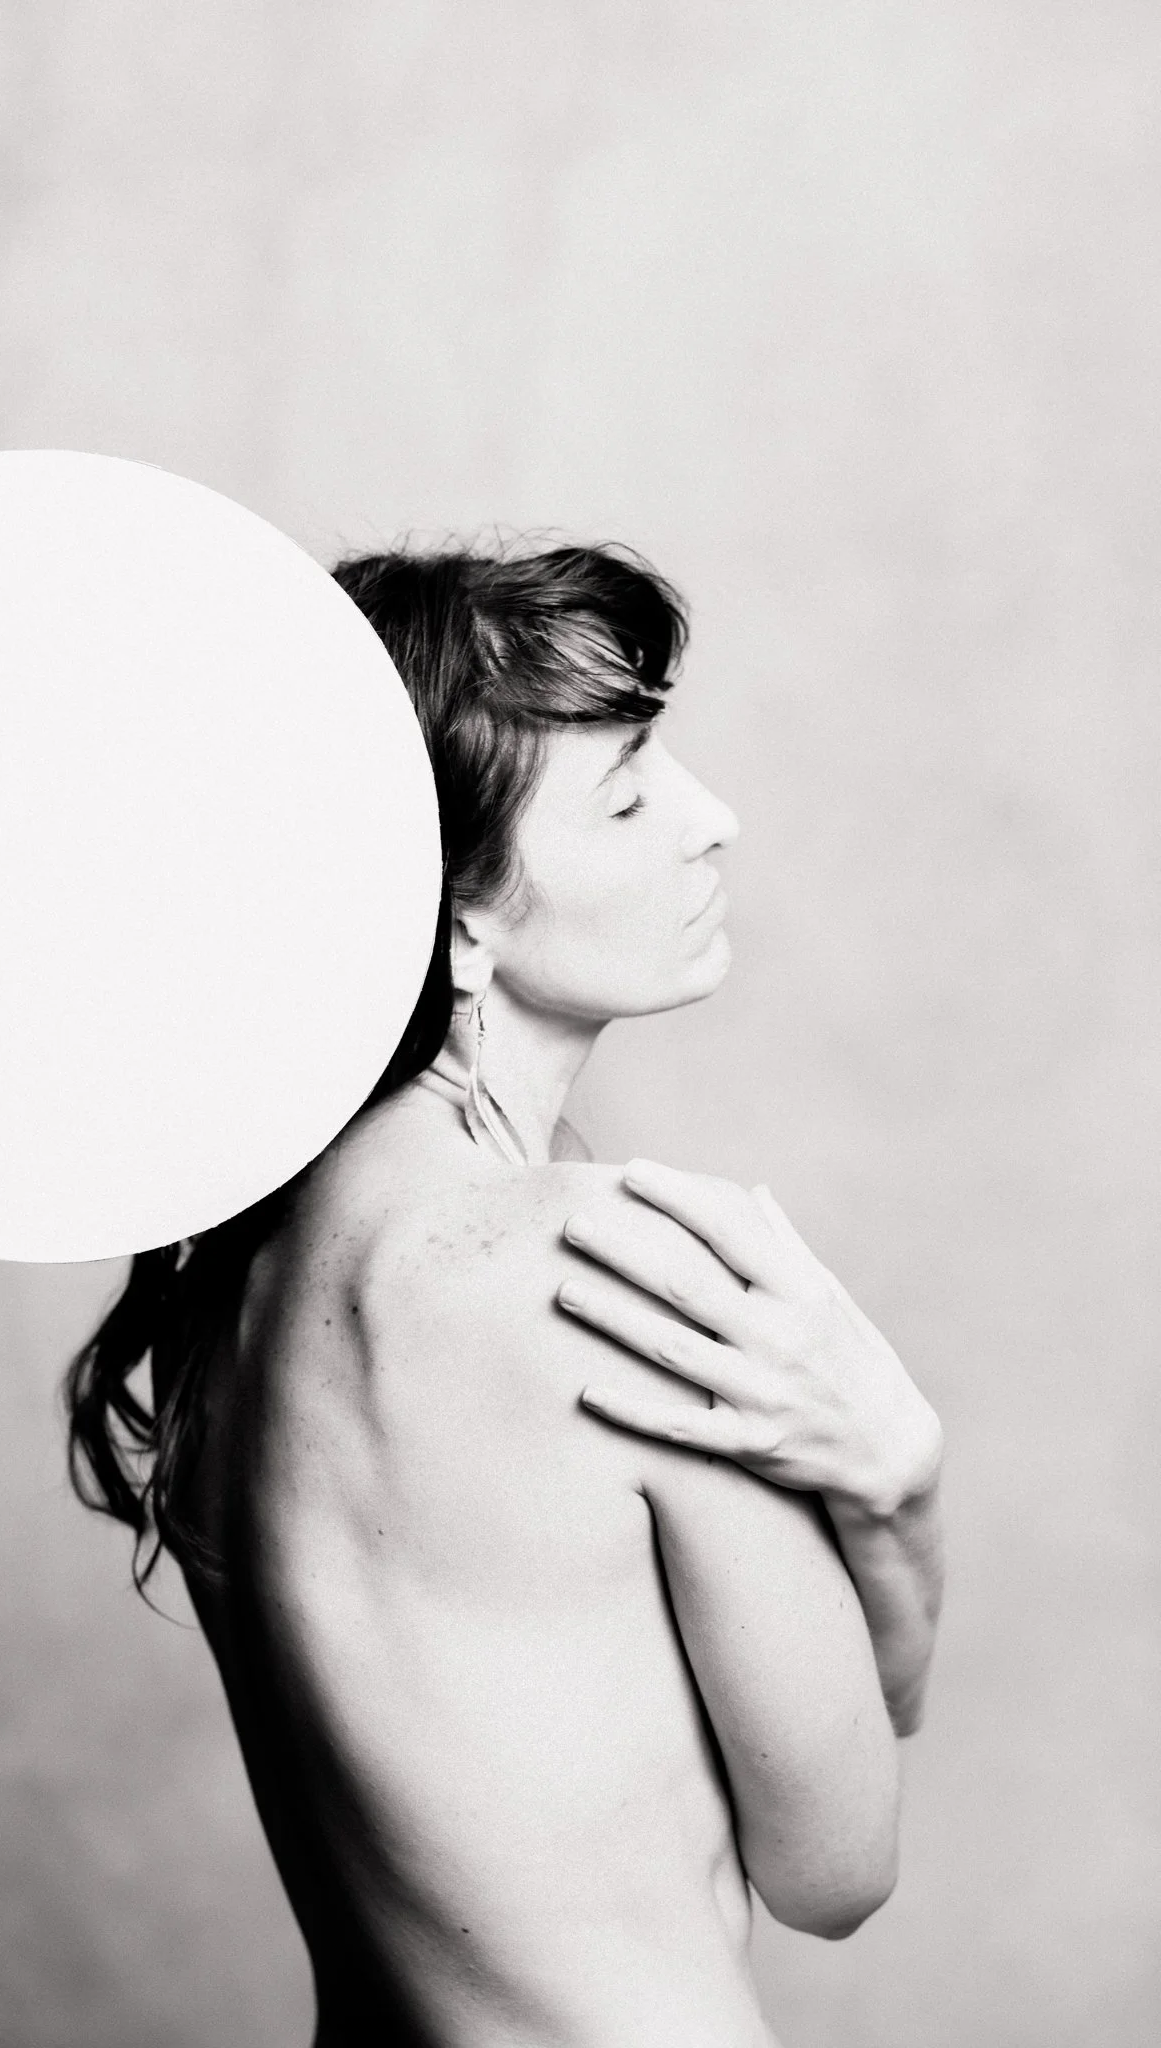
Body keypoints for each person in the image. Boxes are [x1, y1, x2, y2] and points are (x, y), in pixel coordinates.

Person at [66, 544, 945, 2048]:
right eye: (626, 794)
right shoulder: (617, 1271)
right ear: (458, 917)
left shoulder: (225, 1302)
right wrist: (900, 1491)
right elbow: (838, 1861)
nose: (710, 818)